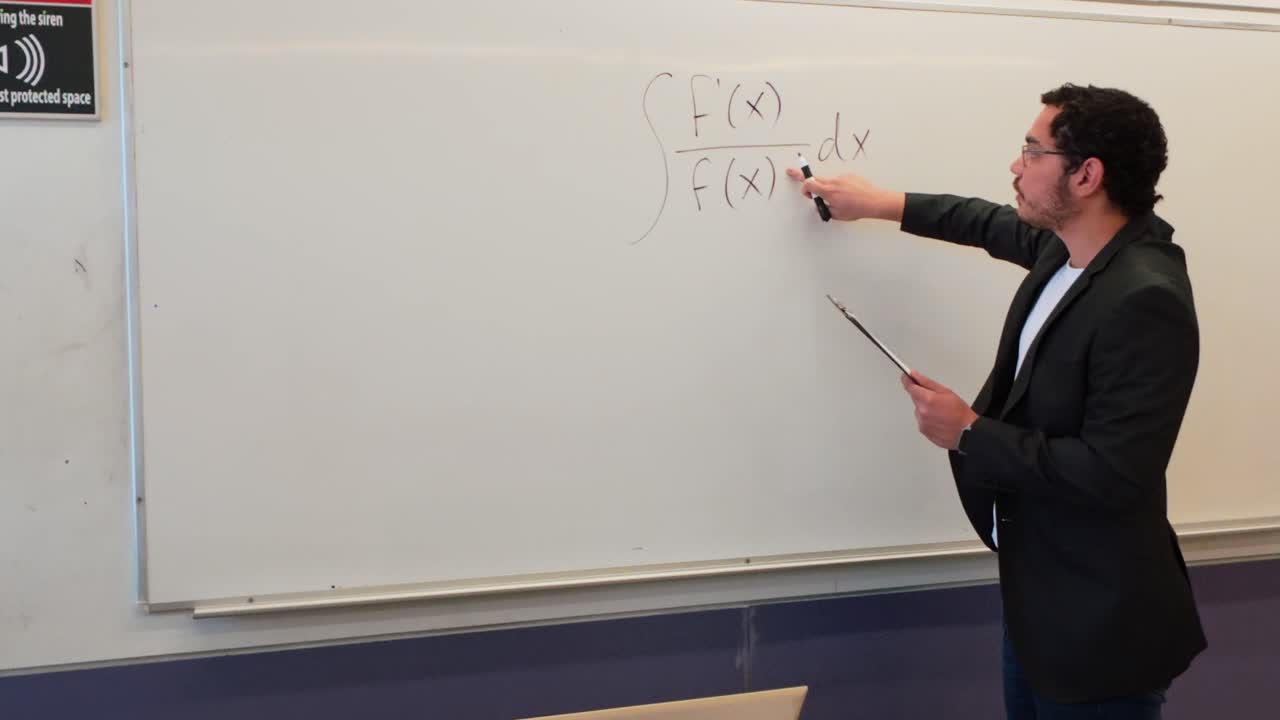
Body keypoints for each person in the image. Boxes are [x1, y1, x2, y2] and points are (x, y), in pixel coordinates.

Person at [788, 84, 1206, 719]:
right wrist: (878, 203)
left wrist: (970, 433)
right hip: (1038, 599)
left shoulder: (1145, 298)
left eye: (1032, 151)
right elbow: (981, 221)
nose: (1016, 165)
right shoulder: (1064, 252)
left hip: (1100, 627)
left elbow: (1115, 473)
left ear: (1087, 174)